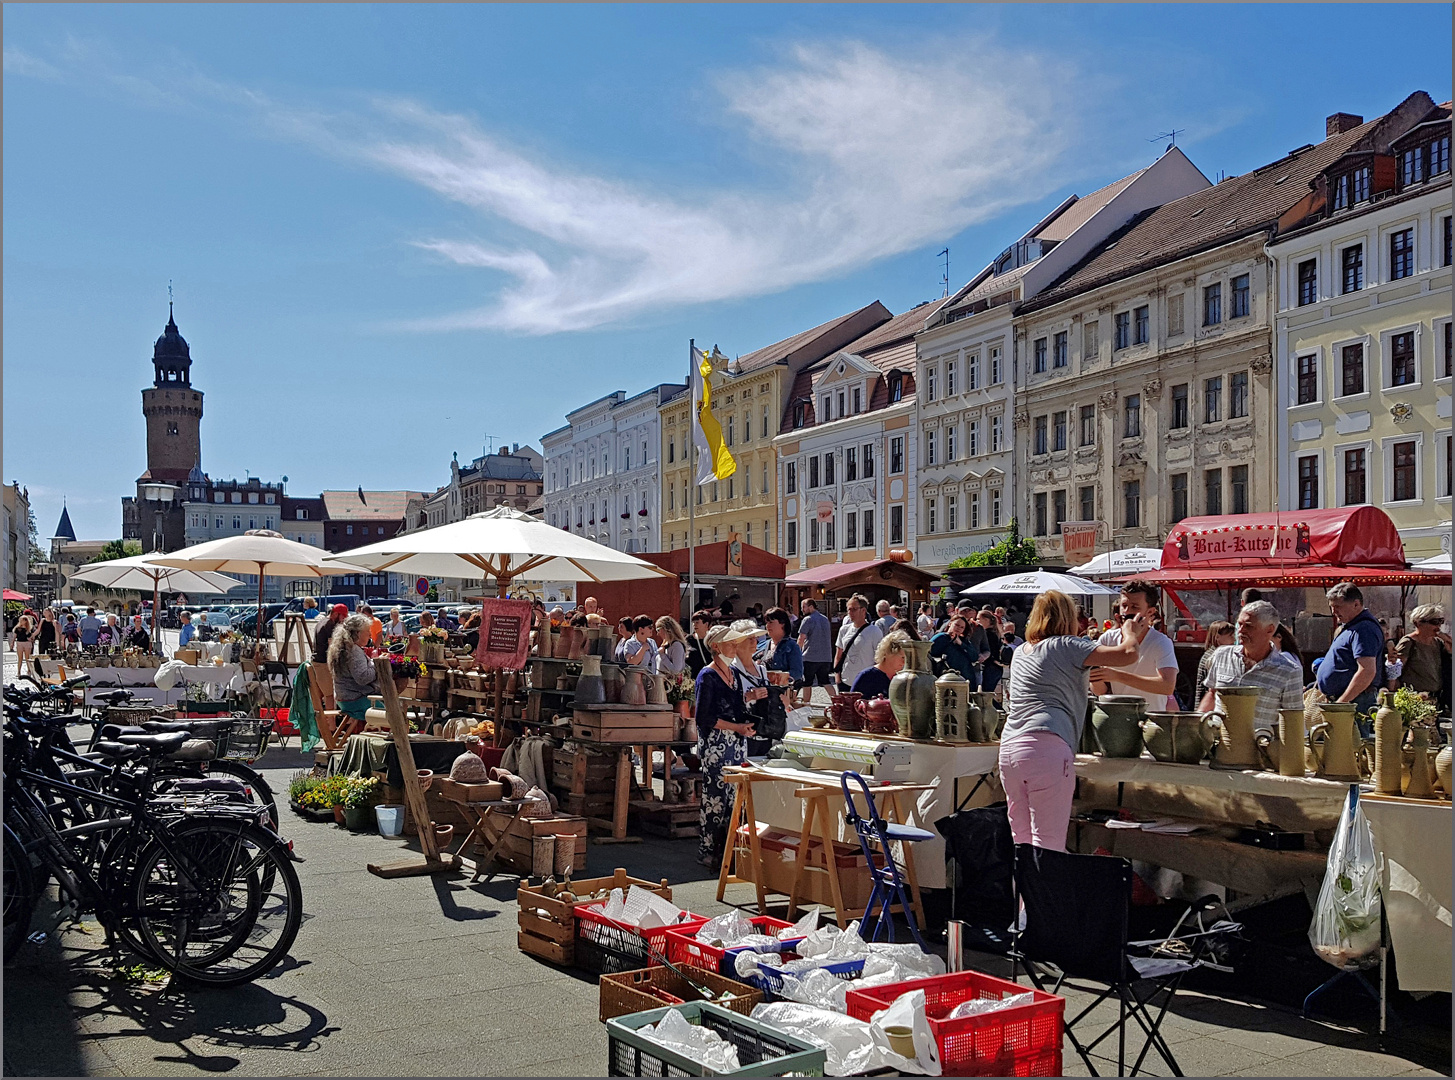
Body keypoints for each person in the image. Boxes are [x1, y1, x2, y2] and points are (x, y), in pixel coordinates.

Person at [999, 590, 1150, 850]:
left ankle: (1022, 892)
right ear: (1069, 618)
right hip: (1047, 747)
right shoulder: (1067, 644)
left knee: (1021, 842)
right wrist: (1130, 631)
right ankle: (1045, 892)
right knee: (1048, 844)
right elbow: (1128, 654)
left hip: (1010, 747)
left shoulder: (1022, 651)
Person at [694, 625, 757, 867]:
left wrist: (746, 724)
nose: (734, 647)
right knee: (715, 798)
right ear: (716, 647)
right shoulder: (707, 676)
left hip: (736, 742)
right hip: (716, 745)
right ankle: (707, 849)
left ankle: (729, 849)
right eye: (729, 643)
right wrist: (736, 727)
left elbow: (737, 705)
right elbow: (704, 717)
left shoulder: (732, 673)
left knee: (734, 798)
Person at [1199, 601, 1305, 733]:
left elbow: (1292, 721)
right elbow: (1212, 694)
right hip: (1218, 747)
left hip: (1260, 748)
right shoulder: (1222, 655)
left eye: (1248, 626)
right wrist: (1197, 728)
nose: (1240, 631)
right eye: (1240, 624)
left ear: (1270, 630)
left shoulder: (1289, 670)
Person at [1090, 581, 1179, 712]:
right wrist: (1095, 676)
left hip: (1151, 718)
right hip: (1118, 718)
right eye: (1124, 606)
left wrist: (1117, 676)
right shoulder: (1107, 639)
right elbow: (1100, 691)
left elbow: (1167, 686)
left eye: (1135, 607)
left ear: (1150, 612)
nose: (1127, 612)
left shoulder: (1161, 642)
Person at [1316, 583, 1385, 727]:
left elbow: (1367, 670)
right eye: (1332, 607)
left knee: (1354, 745)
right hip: (1347, 701)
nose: (1334, 611)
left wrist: (1342, 703)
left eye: (1338, 607)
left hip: (1355, 702)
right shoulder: (1350, 627)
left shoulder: (1364, 629)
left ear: (1356, 604)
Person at [729, 619, 783, 755]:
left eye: (755, 638)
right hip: (743, 734)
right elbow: (725, 703)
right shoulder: (730, 670)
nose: (755, 642)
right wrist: (749, 697)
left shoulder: (761, 669)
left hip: (765, 731)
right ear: (737, 642)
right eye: (749, 639)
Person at [328, 613, 380, 739]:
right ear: (357, 633)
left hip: (344, 699)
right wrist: (378, 664)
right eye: (367, 631)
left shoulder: (344, 647)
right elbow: (363, 678)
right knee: (395, 711)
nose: (369, 634)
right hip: (357, 701)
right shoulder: (354, 651)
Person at [1395, 605, 1450, 706]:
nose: (1438, 626)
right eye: (1434, 622)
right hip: (1415, 700)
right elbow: (1395, 672)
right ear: (1418, 623)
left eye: (1440, 621)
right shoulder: (1408, 642)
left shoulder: (1438, 643)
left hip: (1435, 700)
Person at [834, 594, 884, 692]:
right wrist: (837, 676)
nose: (850, 613)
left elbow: (879, 658)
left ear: (863, 610)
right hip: (846, 681)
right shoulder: (844, 630)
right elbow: (838, 654)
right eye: (848, 609)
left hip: (866, 682)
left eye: (854, 609)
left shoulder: (874, 631)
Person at [795, 599, 835, 706]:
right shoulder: (825, 619)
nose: (802, 610)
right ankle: (837, 703)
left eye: (804, 607)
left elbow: (801, 638)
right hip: (826, 657)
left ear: (811, 606)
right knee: (826, 681)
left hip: (810, 656)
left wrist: (797, 653)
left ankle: (806, 705)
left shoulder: (807, 619)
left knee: (807, 682)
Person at [851, 629, 909, 699]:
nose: (904, 661)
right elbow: (852, 704)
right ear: (888, 653)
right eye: (902, 657)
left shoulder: (904, 679)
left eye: (907, 658)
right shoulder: (866, 677)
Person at [759, 607, 803, 698]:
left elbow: (797, 673)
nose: (767, 626)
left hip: (781, 695)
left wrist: (774, 677)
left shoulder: (792, 646)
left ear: (782, 623)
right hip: (762, 695)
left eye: (771, 622)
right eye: (766, 622)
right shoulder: (761, 645)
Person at [929, 614, 980, 685]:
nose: (958, 628)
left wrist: (961, 644)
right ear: (950, 623)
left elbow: (974, 657)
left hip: (965, 678)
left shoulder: (965, 641)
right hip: (946, 677)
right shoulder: (941, 637)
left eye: (962, 627)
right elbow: (928, 651)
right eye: (957, 625)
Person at [1195, 622, 1235, 704]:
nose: (1234, 639)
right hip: (1208, 702)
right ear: (1217, 637)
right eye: (1230, 636)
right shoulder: (1212, 656)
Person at [976, 609, 1005, 694]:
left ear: (986, 620)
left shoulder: (988, 634)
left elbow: (990, 651)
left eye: (978, 619)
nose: (977, 621)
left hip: (991, 667)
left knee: (986, 695)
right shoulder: (996, 632)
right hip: (996, 668)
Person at [686, 611, 713, 677]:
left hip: (710, 677)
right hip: (693, 677)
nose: (694, 625)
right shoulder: (689, 639)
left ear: (706, 624)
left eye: (697, 622)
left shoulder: (713, 639)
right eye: (693, 622)